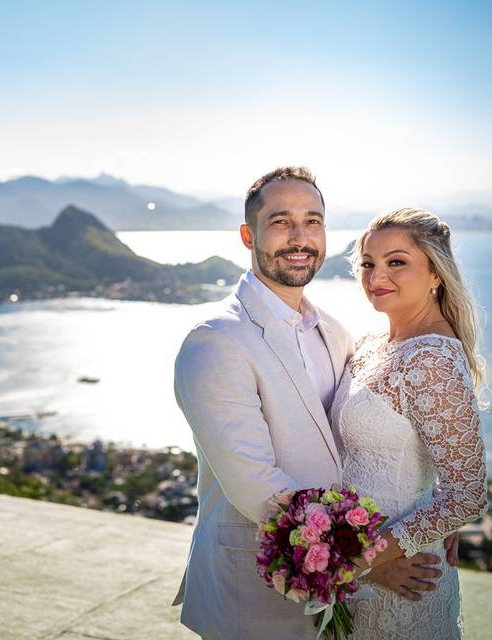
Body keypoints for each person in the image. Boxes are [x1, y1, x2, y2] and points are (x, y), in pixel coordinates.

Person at [172, 169, 449, 639]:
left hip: (336, 603)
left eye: (313, 221)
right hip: (253, 597)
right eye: (281, 221)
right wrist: (368, 562)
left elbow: (372, 438)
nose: (300, 237)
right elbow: (260, 490)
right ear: (248, 234)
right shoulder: (215, 342)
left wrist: (432, 515)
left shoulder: (336, 332)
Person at [330, 207, 489, 639]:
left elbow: (469, 495)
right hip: (365, 569)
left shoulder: (433, 359)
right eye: (368, 263)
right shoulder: (370, 344)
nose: (376, 276)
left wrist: (356, 563)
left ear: (436, 273)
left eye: (396, 262)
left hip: (402, 583)